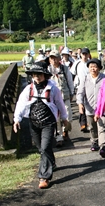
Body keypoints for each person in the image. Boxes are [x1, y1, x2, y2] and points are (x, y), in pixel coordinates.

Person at [13, 61, 70, 189]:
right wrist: (17, 119)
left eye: (39, 74)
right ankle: (52, 163)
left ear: (45, 75)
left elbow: (60, 104)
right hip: (33, 123)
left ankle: (44, 177)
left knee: (44, 148)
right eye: (34, 74)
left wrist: (65, 118)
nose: (37, 77)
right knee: (41, 148)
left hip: (48, 123)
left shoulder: (53, 89)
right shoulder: (29, 89)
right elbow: (21, 104)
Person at [76, 58, 105, 152]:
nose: (93, 68)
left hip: (101, 108)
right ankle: (94, 141)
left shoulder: (104, 78)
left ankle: (103, 146)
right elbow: (80, 92)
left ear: (99, 68)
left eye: (95, 66)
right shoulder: (85, 78)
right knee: (92, 127)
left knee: (102, 127)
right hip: (89, 108)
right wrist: (80, 103)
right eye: (90, 67)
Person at [48, 50, 74, 147]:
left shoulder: (65, 69)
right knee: (56, 119)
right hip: (52, 99)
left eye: (55, 57)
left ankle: (65, 131)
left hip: (65, 96)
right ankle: (59, 138)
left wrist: (72, 93)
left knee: (68, 116)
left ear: (59, 59)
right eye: (51, 58)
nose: (53, 60)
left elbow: (70, 82)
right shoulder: (47, 70)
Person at [71, 48, 91, 132]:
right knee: (81, 104)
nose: (84, 56)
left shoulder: (90, 63)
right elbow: (72, 74)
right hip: (79, 87)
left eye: (86, 54)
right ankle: (83, 123)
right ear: (81, 54)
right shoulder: (77, 63)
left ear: (89, 54)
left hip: (89, 86)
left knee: (89, 104)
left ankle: (89, 122)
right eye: (83, 54)